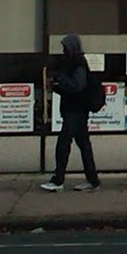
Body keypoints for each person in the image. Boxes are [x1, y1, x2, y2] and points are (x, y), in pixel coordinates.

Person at [42, 33, 100, 192]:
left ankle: (58, 180)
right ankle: (92, 180)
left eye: (65, 48)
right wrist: (57, 87)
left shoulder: (78, 63)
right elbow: (73, 88)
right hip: (77, 110)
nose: (63, 51)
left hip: (75, 111)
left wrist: (60, 78)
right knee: (83, 145)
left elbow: (77, 86)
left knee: (63, 144)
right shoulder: (76, 62)